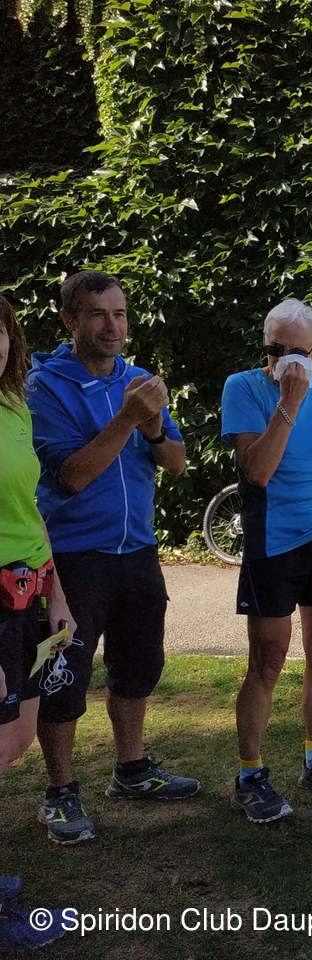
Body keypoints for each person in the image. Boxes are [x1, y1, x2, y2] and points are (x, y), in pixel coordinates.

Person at [25, 271, 200, 845]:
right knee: (63, 675)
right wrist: (127, 418)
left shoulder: (139, 381)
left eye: (120, 314)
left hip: (138, 549)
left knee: (139, 664)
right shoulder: (44, 387)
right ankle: (60, 791)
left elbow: (176, 464)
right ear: (69, 321)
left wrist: (153, 428)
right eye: (97, 314)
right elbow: (72, 476)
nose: (112, 326)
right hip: (74, 555)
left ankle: (131, 769)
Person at [221, 298, 312, 824]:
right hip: (274, 538)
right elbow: (257, 471)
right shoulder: (243, 388)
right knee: (268, 658)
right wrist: (288, 400)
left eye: (297, 352)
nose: (284, 359)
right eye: (275, 348)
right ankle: (250, 775)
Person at [0, 295, 73, 948]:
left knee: (17, 737)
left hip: (28, 589)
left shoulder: (14, 407)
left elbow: (30, 508)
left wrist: (56, 593)